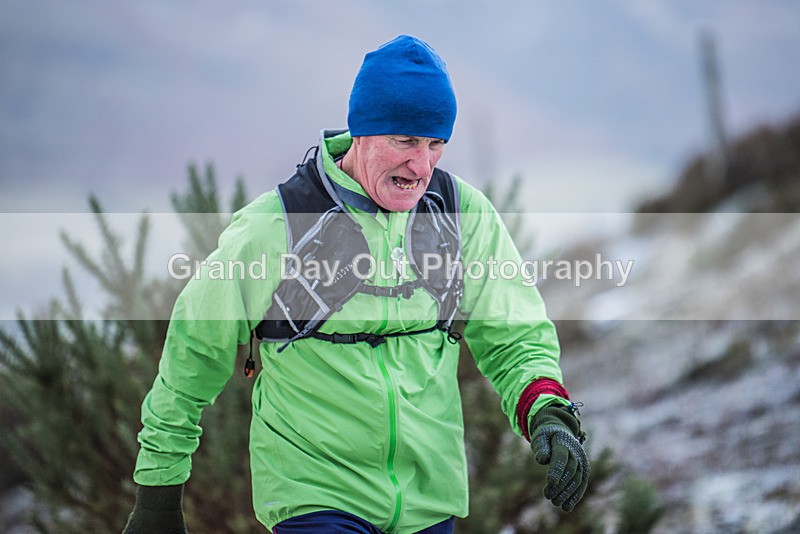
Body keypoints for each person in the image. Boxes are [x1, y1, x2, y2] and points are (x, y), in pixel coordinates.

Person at [123, 35, 589, 534]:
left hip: (428, 502)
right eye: (406, 141)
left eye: (436, 144)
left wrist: (547, 409)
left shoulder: (460, 215)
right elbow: (193, 356)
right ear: (362, 131)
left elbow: (513, 335)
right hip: (314, 498)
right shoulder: (275, 226)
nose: (422, 166)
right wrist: (158, 492)